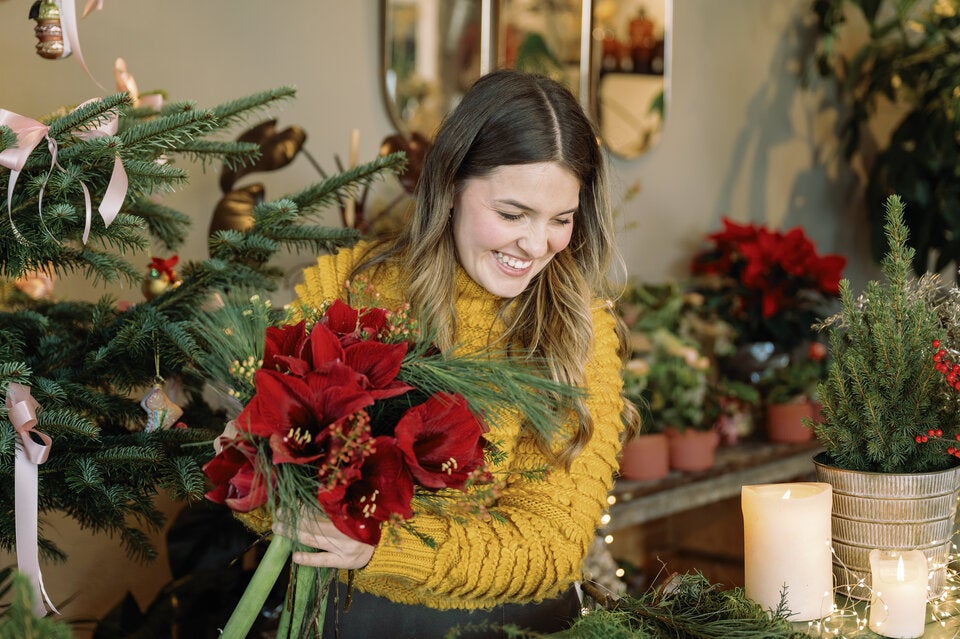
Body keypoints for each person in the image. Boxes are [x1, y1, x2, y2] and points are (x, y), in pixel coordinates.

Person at [279, 68, 640, 638]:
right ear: (449, 188)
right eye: (512, 213)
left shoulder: (578, 330)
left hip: (515, 627)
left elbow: (551, 544)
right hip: (349, 621)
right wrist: (266, 489)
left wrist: (377, 547)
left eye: (561, 219)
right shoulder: (345, 287)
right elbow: (259, 474)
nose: (536, 243)